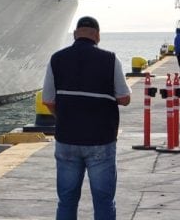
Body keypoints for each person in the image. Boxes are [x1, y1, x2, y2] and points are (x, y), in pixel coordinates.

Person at [42, 16, 131, 220]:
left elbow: (48, 99)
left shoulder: (56, 59)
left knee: (66, 200)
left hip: (67, 139)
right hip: (101, 139)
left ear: (75, 34)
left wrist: (64, 115)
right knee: (104, 201)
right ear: (97, 36)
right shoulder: (110, 59)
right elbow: (124, 98)